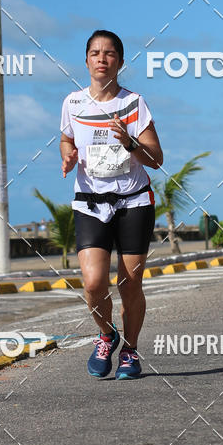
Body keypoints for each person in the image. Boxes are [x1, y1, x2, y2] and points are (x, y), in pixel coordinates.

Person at [60, 30, 163, 380]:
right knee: (93, 283)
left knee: (129, 284)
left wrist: (130, 142)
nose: (101, 59)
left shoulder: (134, 103)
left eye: (109, 54)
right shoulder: (73, 103)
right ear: (86, 60)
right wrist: (68, 155)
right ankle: (106, 335)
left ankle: (130, 352)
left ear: (119, 61)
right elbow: (66, 137)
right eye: (94, 53)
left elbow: (156, 159)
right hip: (89, 201)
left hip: (133, 200)